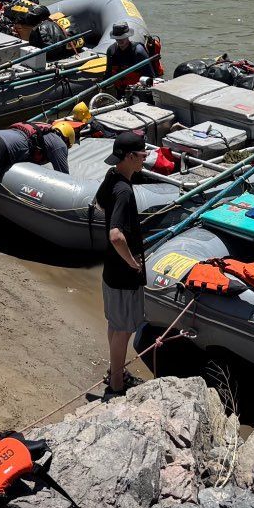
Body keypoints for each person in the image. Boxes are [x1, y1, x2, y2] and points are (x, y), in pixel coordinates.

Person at [98, 131, 149, 397]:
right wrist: (133, 263)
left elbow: (98, 203)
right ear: (130, 157)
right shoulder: (124, 191)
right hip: (123, 273)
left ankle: (115, 371)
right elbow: (116, 235)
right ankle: (116, 385)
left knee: (116, 325)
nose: (145, 159)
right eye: (142, 155)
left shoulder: (111, 177)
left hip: (109, 271)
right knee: (126, 328)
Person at [104, 21, 151, 89]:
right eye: (117, 37)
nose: (120, 40)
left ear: (128, 36)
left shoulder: (138, 52)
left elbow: (149, 77)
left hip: (137, 92)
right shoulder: (111, 50)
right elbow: (108, 74)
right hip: (119, 91)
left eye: (123, 37)